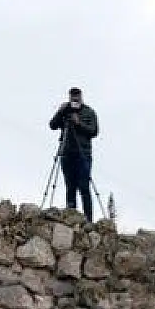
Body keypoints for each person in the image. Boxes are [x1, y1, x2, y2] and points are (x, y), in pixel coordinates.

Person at [48, 86, 100, 221]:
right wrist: (60, 111)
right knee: (70, 187)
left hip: (83, 154)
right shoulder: (65, 111)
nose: (75, 100)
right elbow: (52, 125)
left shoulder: (89, 112)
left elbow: (94, 131)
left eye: (77, 97)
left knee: (84, 186)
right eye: (73, 97)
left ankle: (88, 220)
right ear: (69, 97)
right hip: (67, 153)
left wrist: (79, 123)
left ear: (81, 97)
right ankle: (72, 219)